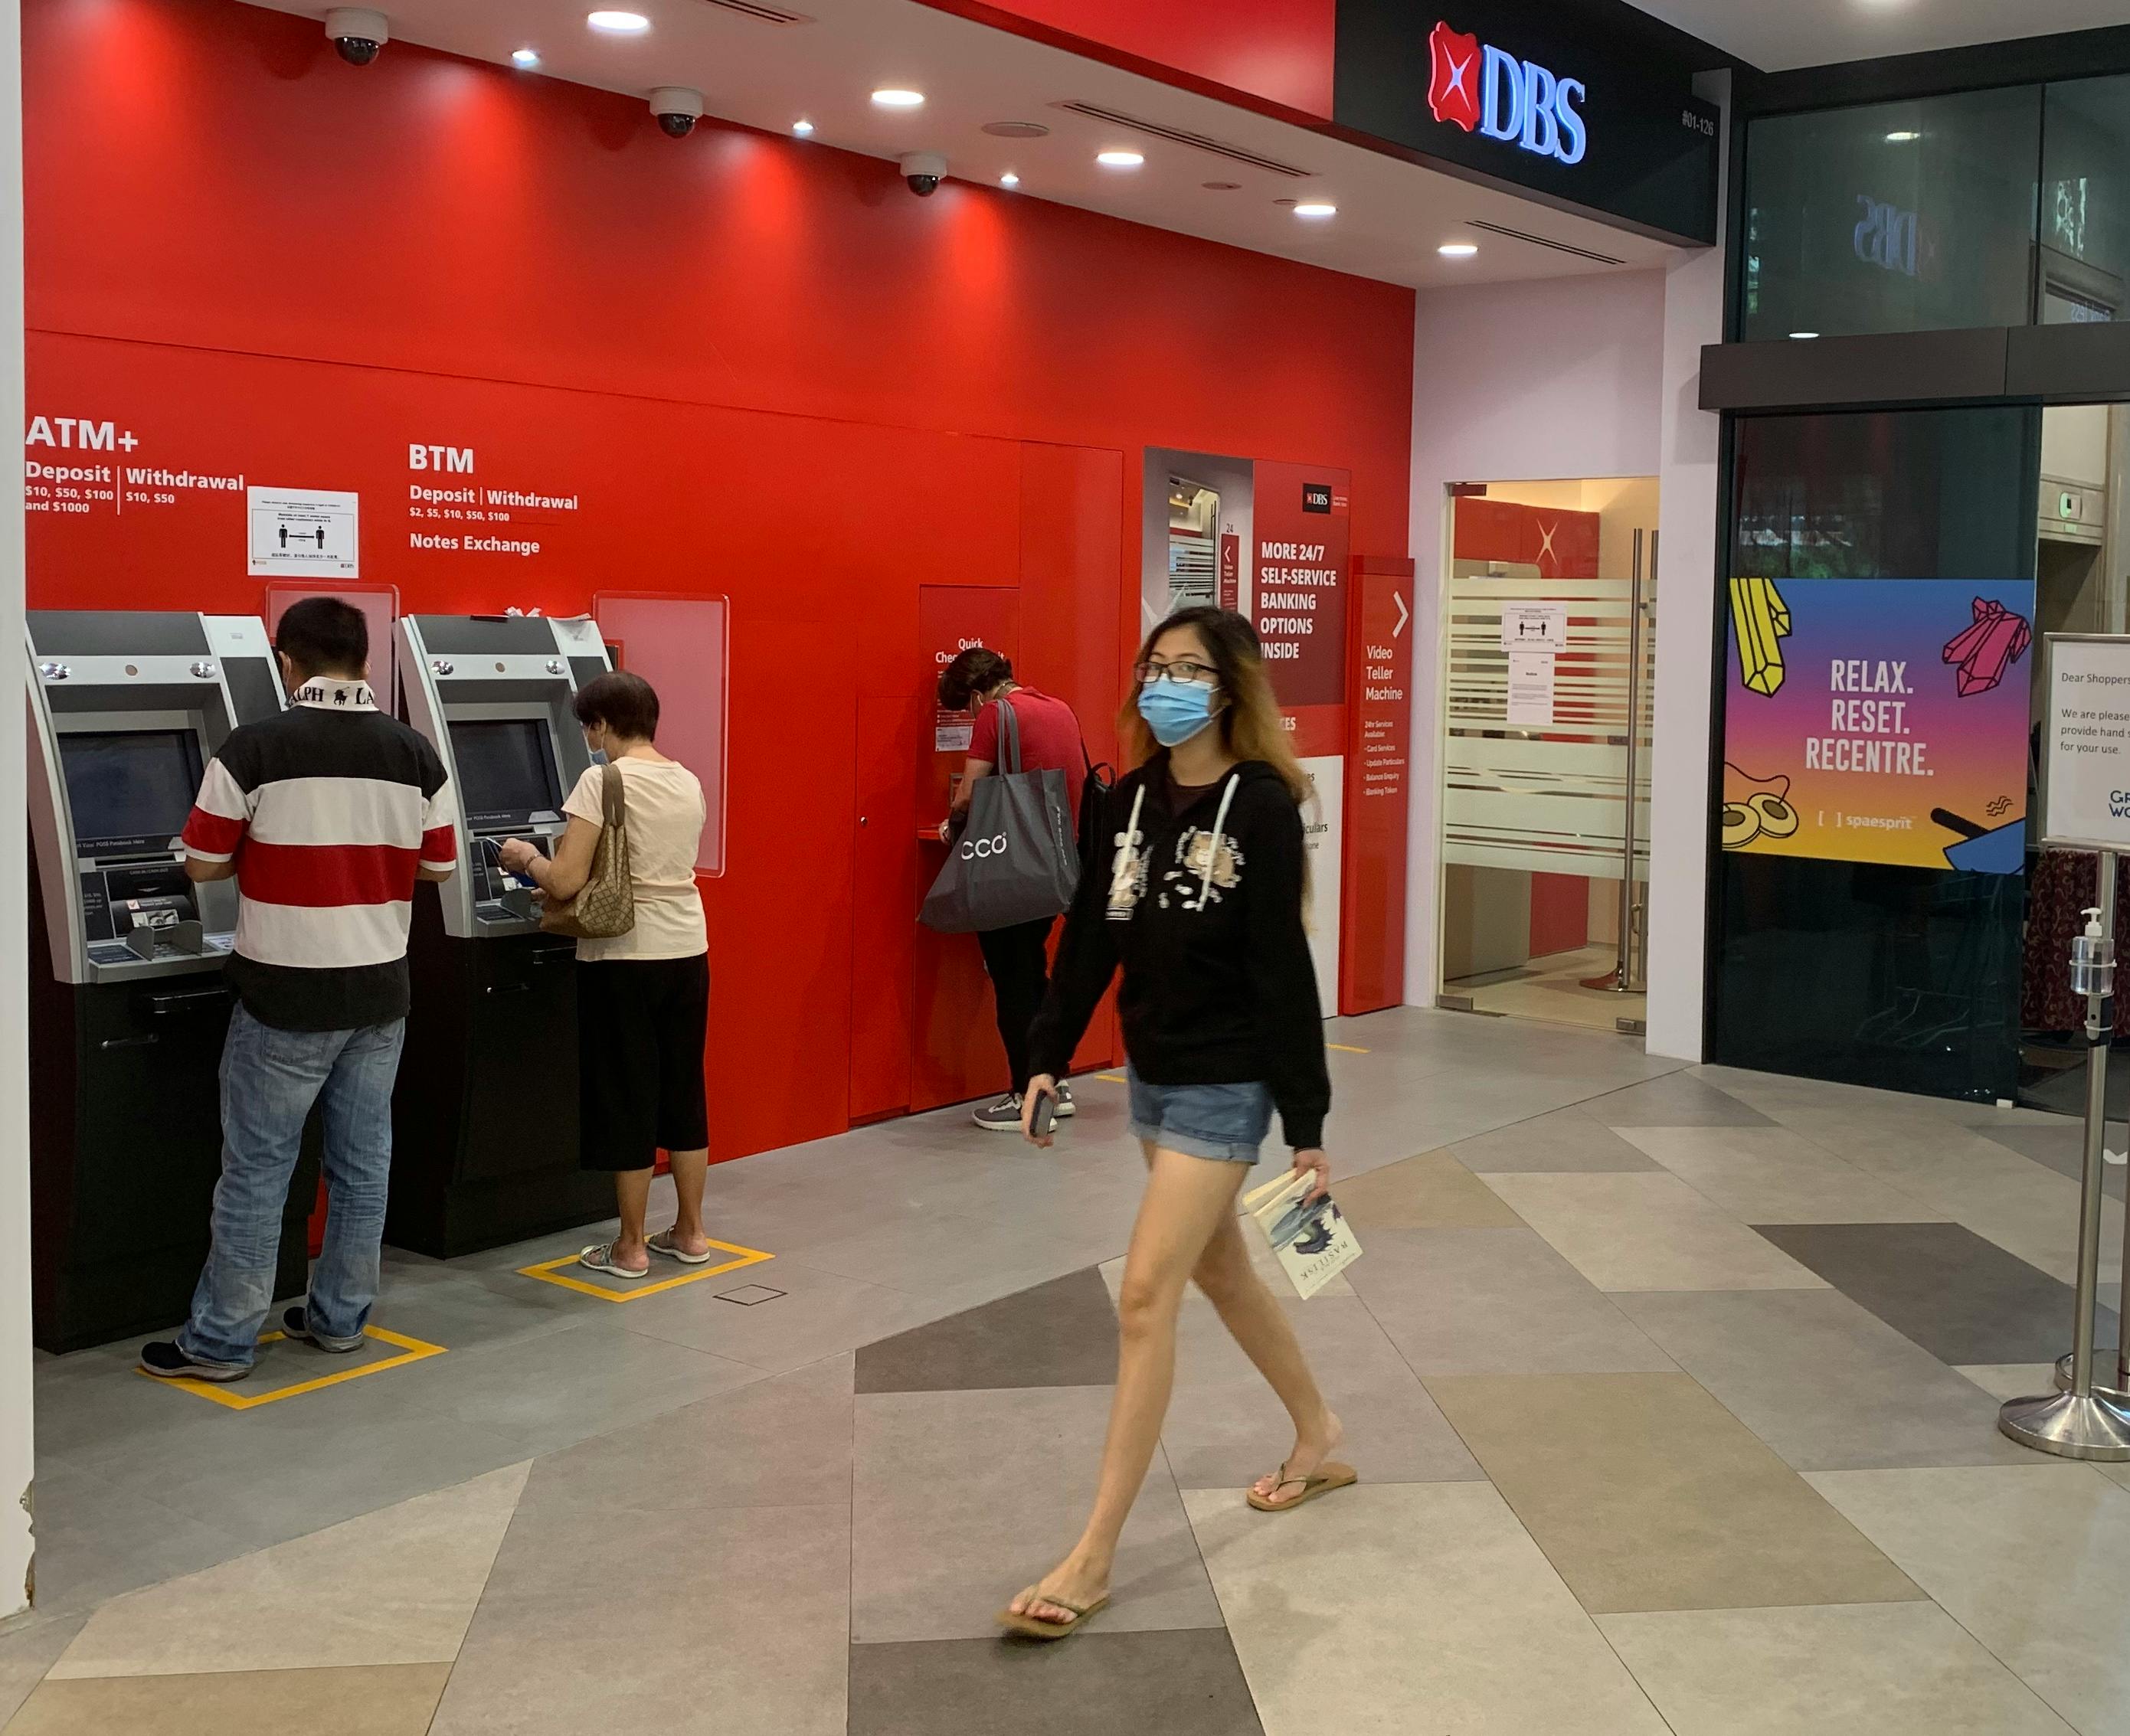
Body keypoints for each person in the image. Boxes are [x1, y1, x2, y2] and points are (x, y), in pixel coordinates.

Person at [999, 606, 1346, 1641]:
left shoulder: (1266, 805)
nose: (1169, 683)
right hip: (1153, 1073)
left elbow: (1282, 968)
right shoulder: (1129, 798)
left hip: (1227, 1081)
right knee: (1221, 1268)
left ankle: (1092, 1553)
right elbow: (1090, 940)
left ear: (1231, 686)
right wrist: (1047, 1053)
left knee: (1146, 1291)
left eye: (1191, 668)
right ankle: (1319, 1431)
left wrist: (1307, 1123)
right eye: (1157, 665)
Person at [142, 599, 458, 1381]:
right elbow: (441, 867)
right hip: (380, 993)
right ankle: (340, 1318)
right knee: (361, 1164)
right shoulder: (414, 752)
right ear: (363, 659)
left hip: (284, 994)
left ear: (290, 660)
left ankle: (220, 1340)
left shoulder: (256, 747)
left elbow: (203, 863)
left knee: (256, 1169)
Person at [498, 672, 710, 1279]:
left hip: (622, 957)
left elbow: (564, 880)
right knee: (682, 1091)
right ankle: (691, 1231)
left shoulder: (602, 779)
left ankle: (631, 1246)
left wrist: (523, 857)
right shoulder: (686, 779)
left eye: (587, 727)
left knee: (627, 1097)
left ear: (599, 725)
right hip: (687, 948)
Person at [935, 646, 1087, 1132]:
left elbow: (970, 791)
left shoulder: (996, 714)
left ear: (978, 694)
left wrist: (951, 822)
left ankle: (1025, 1094)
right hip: (1058, 863)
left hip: (1013, 866)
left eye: (967, 706)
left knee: (1012, 981)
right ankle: (1054, 1085)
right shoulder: (1058, 707)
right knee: (1032, 972)